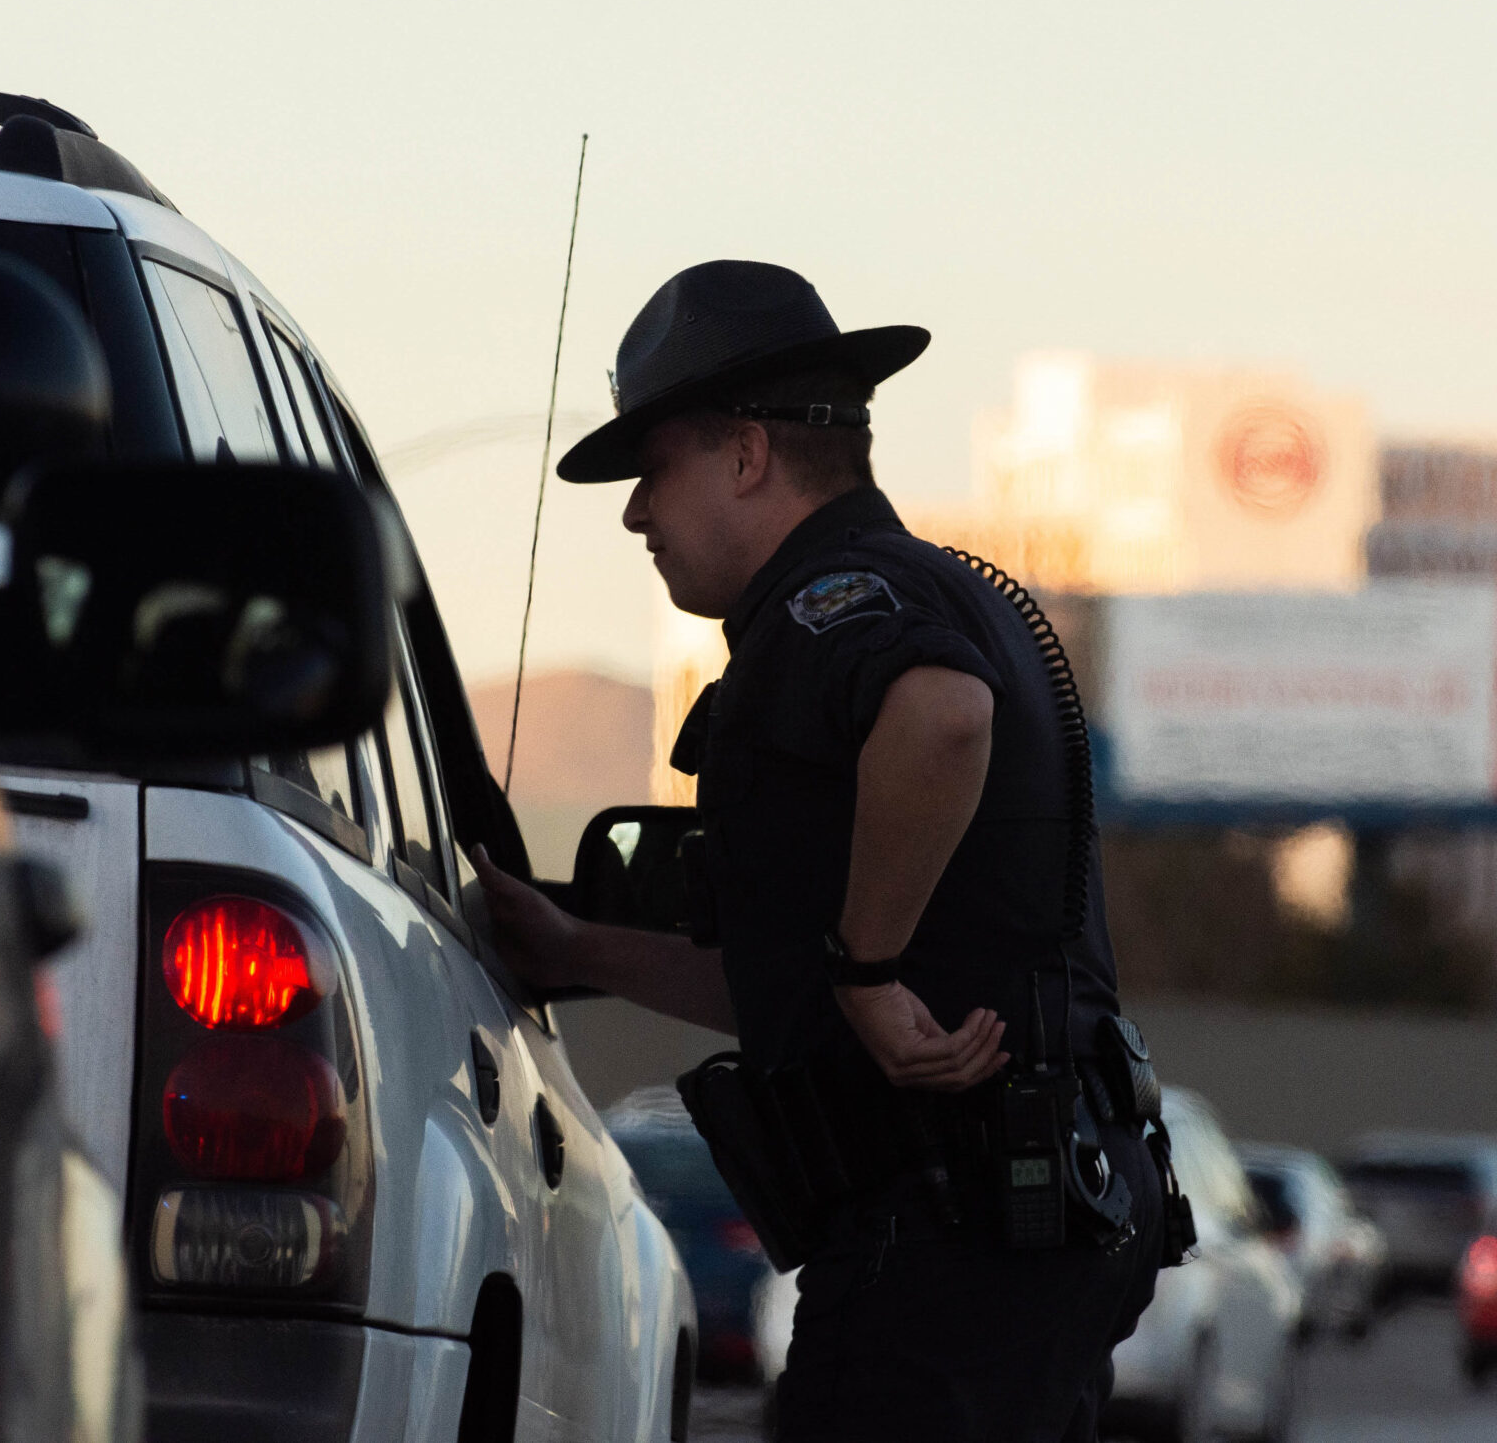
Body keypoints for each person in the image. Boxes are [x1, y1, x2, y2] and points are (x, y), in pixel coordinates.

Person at [478, 260, 1163, 1441]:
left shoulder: (831, 601)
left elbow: (943, 715)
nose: (636, 511)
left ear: (747, 455)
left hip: (947, 1242)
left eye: (654, 467)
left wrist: (865, 967)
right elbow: (793, 987)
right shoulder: (936, 586)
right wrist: (577, 942)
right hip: (1003, 1229)